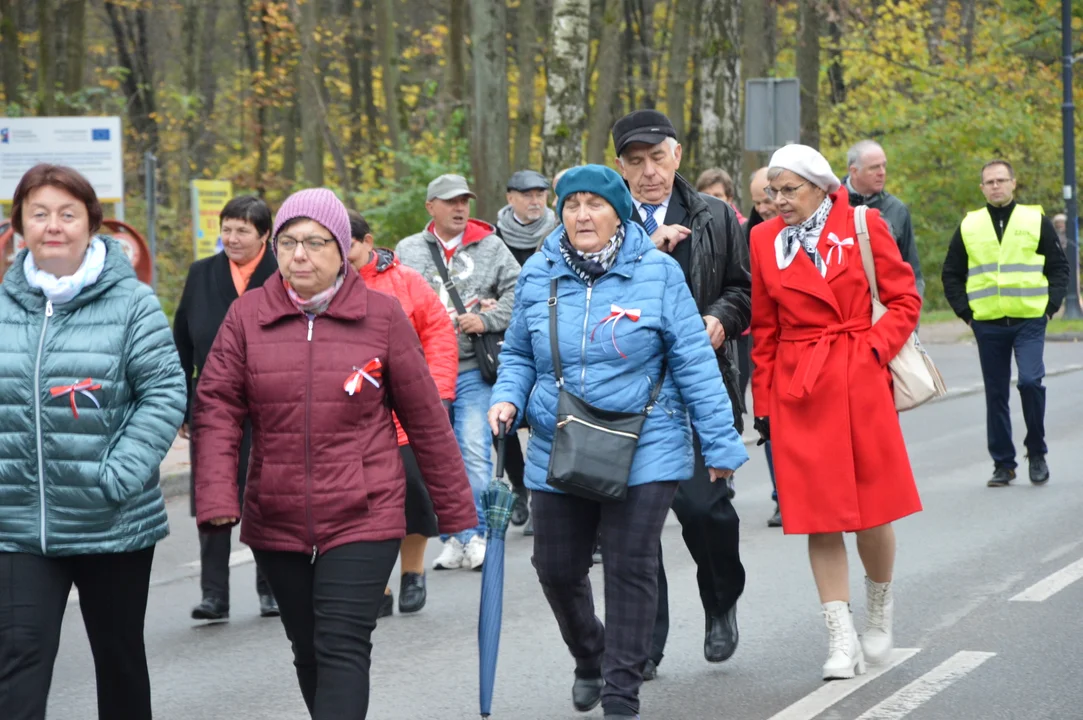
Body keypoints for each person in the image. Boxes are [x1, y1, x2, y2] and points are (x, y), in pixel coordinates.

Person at [194, 188, 476, 720]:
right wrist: (214, 496)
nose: (299, 255)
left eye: (315, 243)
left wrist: (457, 511)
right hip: (275, 511)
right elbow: (216, 408)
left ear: (343, 248)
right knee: (308, 649)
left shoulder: (382, 315)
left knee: (343, 644)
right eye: (288, 242)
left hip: (365, 509)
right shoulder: (246, 315)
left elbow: (425, 420)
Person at [488, 164, 749, 719]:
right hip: (561, 438)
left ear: (619, 211)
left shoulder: (657, 274)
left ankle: (621, 697)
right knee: (556, 568)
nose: (583, 214)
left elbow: (695, 363)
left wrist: (721, 446)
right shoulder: (539, 272)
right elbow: (515, 353)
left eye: (595, 204)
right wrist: (506, 396)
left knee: (631, 564)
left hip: (646, 439)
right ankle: (591, 656)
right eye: (572, 204)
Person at [0, 164, 187, 720]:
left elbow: (164, 392)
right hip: (18, 525)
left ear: (91, 223)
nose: (52, 226)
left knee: (119, 658)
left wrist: (119, 474)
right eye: (38, 214)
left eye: (66, 213)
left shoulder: (132, 303)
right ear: (18, 227)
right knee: (18, 660)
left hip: (112, 520)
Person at [749, 144, 923, 680]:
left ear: (821, 187)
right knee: (818, 517)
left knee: (873, 511)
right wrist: (764, 402)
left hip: (859, 379)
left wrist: (871, 351)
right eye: (771, 192)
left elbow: (904, 301)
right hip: (800, 391)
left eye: (788, 190)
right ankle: (839, 636)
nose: (778, 201)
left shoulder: (865, 225)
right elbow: (764, 327)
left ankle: (878, 607)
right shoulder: (762, 241)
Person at [612, 109, 751, 679]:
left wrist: (722, 317)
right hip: (623, 396)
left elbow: (743, 290)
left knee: (703, 509)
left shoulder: (715, 216)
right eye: (635, 161)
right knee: (635, 526)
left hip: (697, 391)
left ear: (676, 155)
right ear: (620, 167)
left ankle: (720, 603)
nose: (649, 172)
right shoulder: (602, 220)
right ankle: (646, 642)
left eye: (657, 158)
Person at [396, 174, 521, 572]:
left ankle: (475, 534)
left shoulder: (492, 246)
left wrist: (487, 320)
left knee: (472, 450)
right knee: (434, 457)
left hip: (471, 369)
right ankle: (454, 537)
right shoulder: (409, 250)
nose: (459, 208)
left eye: (464, 200)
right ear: (430, 206)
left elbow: (522, 291)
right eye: (450, 201)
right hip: (424, 372)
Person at [346, 209, 458, 616]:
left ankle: (412, 573)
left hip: (406, 414)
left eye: (349, 246)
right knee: (364, 506)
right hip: (353, 418)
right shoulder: (326, 288)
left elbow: (439, 334)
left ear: (368, 242)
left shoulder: (405, 281)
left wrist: (439, 392)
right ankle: (377, 586)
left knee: (413, 496)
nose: (342, 256)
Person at [174, 195, 280, 622]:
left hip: (271, 402)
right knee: (213, 495)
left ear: (264, 236)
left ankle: (271, 589)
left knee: (267, 495)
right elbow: (181, 342)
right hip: (212, 400)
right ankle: (214, 594)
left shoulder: (281, 274)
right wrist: (183, 406)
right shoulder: (202, 274)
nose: (232, 239)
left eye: (242, 231)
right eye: (227, 229)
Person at [941, 160, 1069, 487]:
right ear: (982, 188)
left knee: (1029, 382)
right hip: (987, 323)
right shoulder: (970, 225)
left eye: (1001, 180)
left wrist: (1049, 307)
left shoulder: (1034, 220)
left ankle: (1036, 452)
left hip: (1029, 319)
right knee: (996, 394)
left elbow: (1058, 267)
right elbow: (951, 274)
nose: (996, 186)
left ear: (1014, 183)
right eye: (989, 182)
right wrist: (966, 313)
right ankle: (1003, 464)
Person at [493, 169, 560, 535]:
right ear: (510, 198)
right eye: (527, 194)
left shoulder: (559, 229)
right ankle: (519, 486)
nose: (536, 200)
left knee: (543, 417)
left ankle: (540, 497)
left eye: (541, 193)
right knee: (503, 420)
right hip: (504, 339)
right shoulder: (494, 237)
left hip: (551, 335)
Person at [745, 167, 782, 529]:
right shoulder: (753, 234)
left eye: (767, 198)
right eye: (757, 202)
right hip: (767, 345)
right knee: (768, 421)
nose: (765, 207)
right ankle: (780, 495)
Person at [844, 140, 925, 298]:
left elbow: (912, 271)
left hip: (885, 306)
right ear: (854, 171)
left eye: (883, 166)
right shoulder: (829, 204)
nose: (882, 172)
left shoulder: (897, 209)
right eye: (874, 167)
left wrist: (910, 317)